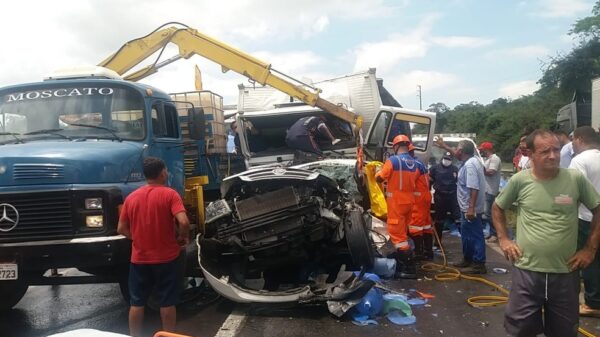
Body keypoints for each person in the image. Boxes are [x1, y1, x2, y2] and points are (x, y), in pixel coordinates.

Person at [492, 129, 600, 337]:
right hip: (527, 271)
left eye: (556, 150)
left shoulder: (575, 178)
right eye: (545, 151)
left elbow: (598, 209)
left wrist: (590, 249)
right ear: (530, 154)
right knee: (519, 330)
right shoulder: (519, 181)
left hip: (565, 272)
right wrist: (504, 239)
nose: (553, 155)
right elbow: (497, 207)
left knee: (564, 331)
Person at [117, 157, 191, 337]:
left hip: (139, 259)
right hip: (167, 258)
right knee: (167, 301)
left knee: (137, 302)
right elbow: (183, 221)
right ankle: (167, 335)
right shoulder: (170, 194)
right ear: (163, 172)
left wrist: (138, 237)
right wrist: (183, 237)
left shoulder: (132, 197)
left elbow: (121, 228)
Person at [435, 137, 487, 274]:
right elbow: (455, 152)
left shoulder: (470, 165)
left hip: (470, 208)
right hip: (467, 206)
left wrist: (471, 208)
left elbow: (473, 187)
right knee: (467, 234)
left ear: (462, 151)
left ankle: (479, 263)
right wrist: (444, 146)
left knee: (475, 235)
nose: (455, 151)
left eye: (457, 148)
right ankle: (468, 258)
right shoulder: (472, 160)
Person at [376, 135, 424, 278]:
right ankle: (405, 263)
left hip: (397, 203)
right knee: (403, 233)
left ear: (395, 146)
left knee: (398, 237)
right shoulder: (414, 163)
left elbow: (379, 178)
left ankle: (409, 269)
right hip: (409, 203)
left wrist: (376, 171)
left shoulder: (393, 161)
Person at [569, 126, 600, 318]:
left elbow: (573, 193)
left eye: (573, 139)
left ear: (579, 139)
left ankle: (593, 302)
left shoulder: (579, 161)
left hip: (588, 218)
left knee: (589, 259)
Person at [407, 144, 433, 261]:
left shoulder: (412, 165)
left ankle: (418, 253)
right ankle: (428, 252)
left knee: (415, 226)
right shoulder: (420, 163)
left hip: (418, 199)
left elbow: (409, 182)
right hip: (425, 197)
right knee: (426, 225)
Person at [429, 151, 460, 250]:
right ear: (442, 158)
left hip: (452, 196)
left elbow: (458, 182)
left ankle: (466, 240)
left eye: (449, 159)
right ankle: (437, 241)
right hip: (440, 197)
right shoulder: (434, 168)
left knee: (458, 218)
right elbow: (429, 179)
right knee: (439, 220)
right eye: (446, 159)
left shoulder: (455, 169)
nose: (447, 161)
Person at [478, 141, 502, 244]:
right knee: (487, 213)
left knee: (488, 214)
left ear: (486, 150)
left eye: (482, 150)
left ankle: (495, 234)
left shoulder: (494, 159)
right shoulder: (488, 159)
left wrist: (480, 168)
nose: (481, 152)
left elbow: (491, 172)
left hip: (491, 189)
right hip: (486, 189)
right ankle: (492, 233)